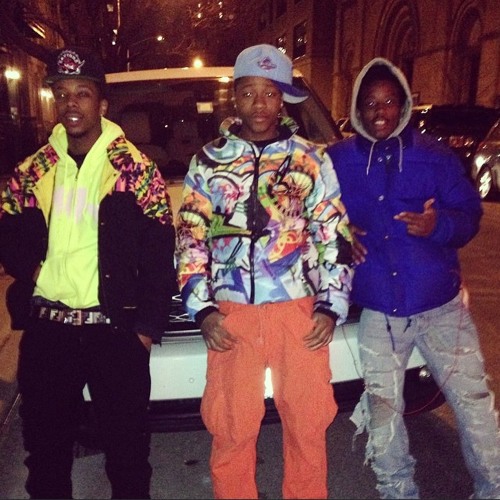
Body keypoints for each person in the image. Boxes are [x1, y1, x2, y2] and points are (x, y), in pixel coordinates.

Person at [175, 44, 353, 499]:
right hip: (232, 313)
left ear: (283, 99)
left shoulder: (311, 159)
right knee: (231, 425)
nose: (259, 104)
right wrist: (203, 310)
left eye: (270, 93)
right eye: (249, 92)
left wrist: (331, 304)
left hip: (298, 311)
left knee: (308, 422)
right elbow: (191, 238)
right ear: (234, 97)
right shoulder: (208, 162)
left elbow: (333, 233)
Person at [0, 46, 175, 499]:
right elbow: (7, 231)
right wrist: (34, 267)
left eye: (82, 93)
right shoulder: (33, 170)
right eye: (62, 94)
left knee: (128, 455)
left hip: (113, 333)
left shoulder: (135, 171)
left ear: (102, 103)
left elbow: (160, 254)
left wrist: (145, 329)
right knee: (45, 455)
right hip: (49, 331)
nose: (71, 103)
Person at [326, 57, 500, 499]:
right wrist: (341, 233)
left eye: (389, 101)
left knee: (474, 404)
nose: (379, 111)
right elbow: (313, 215)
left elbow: (470, 215)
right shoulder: (337, 160)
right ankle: (398, 491)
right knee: (383, 412)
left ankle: (493, 487)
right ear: (357, 109)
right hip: (379, 312)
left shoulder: (435, 156)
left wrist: (439, 224)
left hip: (442, 308)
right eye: (370, 103)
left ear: (403, 105)